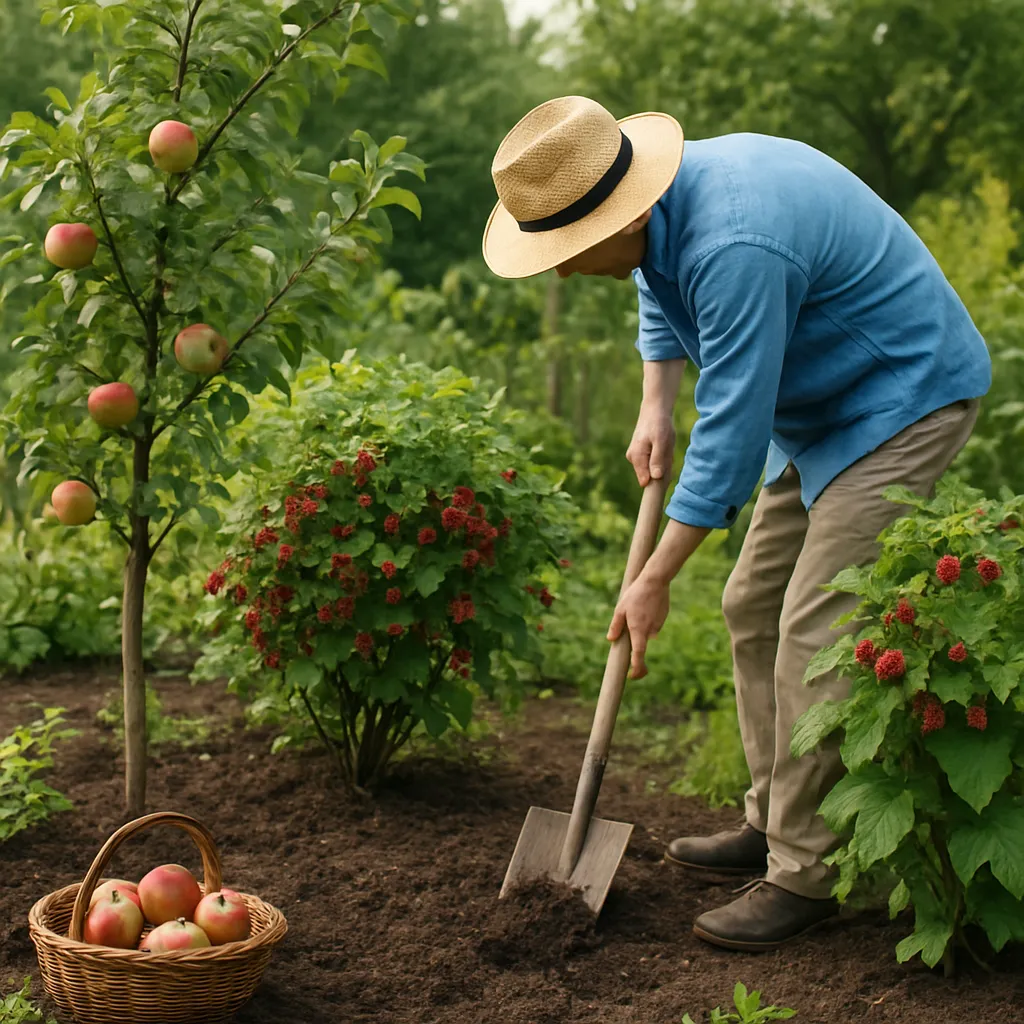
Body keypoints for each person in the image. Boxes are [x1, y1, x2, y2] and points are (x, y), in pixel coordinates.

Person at [481, 96, 991, 951]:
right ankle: (772, 816)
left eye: (570, 251)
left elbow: (732, 431)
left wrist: (652, 577)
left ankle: (806, 872)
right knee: (750, 606)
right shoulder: (660, 209)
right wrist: (654, 404)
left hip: (903, 395)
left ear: (626, 208)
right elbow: (655, 287)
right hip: (823, 402)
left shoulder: (734, 242)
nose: (564, 273)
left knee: (812, 628)